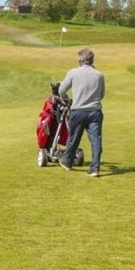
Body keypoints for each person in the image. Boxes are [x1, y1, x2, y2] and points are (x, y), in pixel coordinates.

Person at [58, 47, 105, 177]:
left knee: (73, 138)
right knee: (96, 140)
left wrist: (66, 100)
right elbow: (101, 95)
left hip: (78, 110)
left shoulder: (73, 72)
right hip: (95, 111)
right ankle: (95, 168)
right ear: (92, 60)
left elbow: (61, 90)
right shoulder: (99, 75)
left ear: (80, 60)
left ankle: (67, 162)